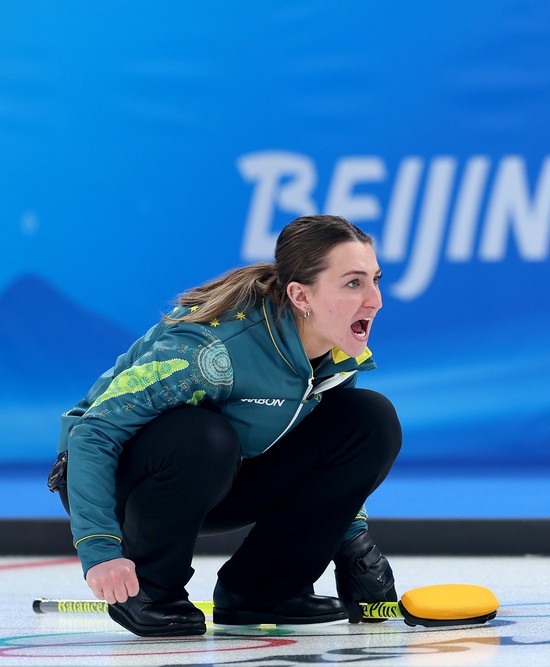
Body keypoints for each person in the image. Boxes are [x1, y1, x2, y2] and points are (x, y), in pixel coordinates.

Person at [47, 214, 402, 637]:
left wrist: (355, 544)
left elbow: (334, 460)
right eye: (353, 283)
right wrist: (100, 548)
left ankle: (263, 590)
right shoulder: (213, 350)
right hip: (115, 479)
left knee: (368, 420)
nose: (375, 300)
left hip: (222, 476)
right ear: (300, 295)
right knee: (207, 437)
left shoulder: (336, 355)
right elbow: (93, 432)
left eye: (375, 280)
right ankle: (151, 590)